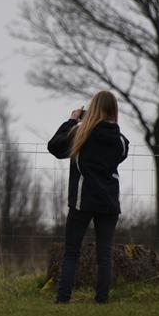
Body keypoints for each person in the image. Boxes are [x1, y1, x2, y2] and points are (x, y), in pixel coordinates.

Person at [47, 90, 130, 304]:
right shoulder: (120, 140)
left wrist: (72, 121)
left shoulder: (80, 134)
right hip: (109, 203)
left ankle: (63, 298)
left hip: (81, 201)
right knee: (105, 255)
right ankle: (102, 300)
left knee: (71, 253)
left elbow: (54, 146)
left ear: (92, 109)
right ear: (114, 110)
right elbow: (121, 153)